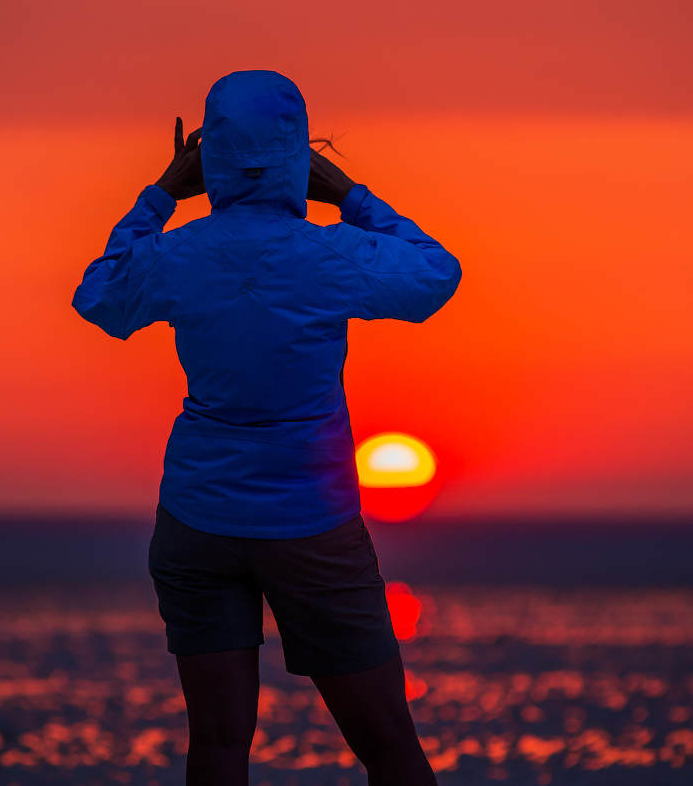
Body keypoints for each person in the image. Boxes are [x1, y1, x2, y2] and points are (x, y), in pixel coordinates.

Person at [72, 70, 460, 785]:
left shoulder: (179, 252)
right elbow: (436, 273)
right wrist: (348, 194)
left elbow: (98, 294)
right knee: (386, 742)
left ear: (207, 156)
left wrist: (161, 192)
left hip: (198, 519)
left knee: (217, 745)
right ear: (298, 157)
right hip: (311, 522)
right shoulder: (329, 251)